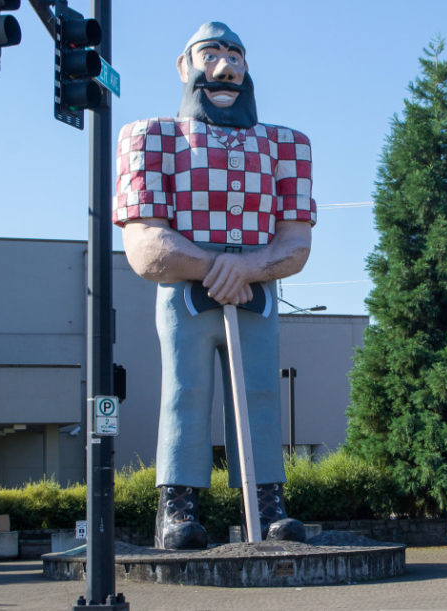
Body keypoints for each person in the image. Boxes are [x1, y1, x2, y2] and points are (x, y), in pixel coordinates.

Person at [114, 21, 315, 550]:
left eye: (235, 57)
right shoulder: (148, 138)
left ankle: (268, 503)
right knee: (185, 392)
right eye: (210, 55)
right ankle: (177, 508)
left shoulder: (287, 145)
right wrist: (215, 266)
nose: (225, 68)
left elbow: (296, 242)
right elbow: (145, 244)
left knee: (262, 394)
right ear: (185, 67)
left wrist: (247, 269)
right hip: (185, 295)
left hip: (257, 296)